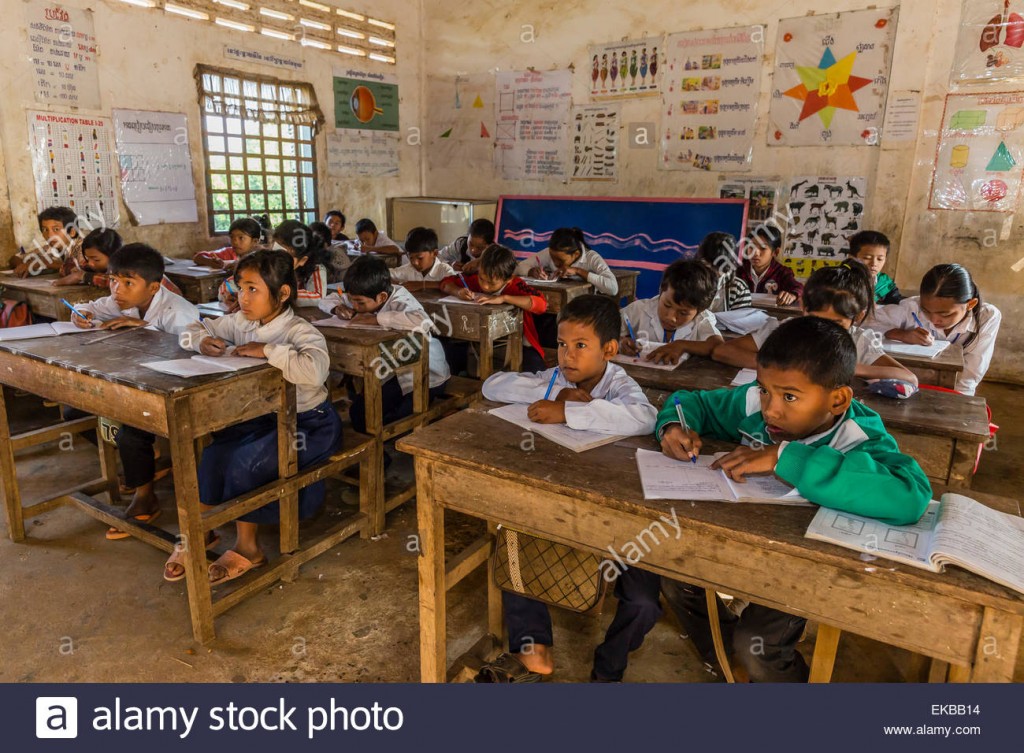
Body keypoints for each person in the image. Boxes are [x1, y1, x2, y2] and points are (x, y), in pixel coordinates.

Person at [658, 316, 931, 681]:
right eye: (764, 389)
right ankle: (729, 660)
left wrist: (786, 458)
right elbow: (687, 400)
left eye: (789, 396)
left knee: (759, 642)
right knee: (674, 575)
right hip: (743, 540)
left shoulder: (859, 435)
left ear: (838, 400)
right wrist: (675, 425)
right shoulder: (754, 405)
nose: (771, 408)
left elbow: (909, 496)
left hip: (802, 564)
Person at [476, 295, 658, 683]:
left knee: (644, 601)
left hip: (614, 515)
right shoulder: (554, 379)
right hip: (556, 504)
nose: (567, 356)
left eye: (580, 346)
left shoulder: (620, 385)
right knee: (516, 533)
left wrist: (571, 411)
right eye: (561, 344)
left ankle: (610, 663)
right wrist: (552, 396)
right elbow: (493, 386)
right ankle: (533, 647)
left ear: (609, 349)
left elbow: (645, 418)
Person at [167, 249, 342, 583]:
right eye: (240, 288)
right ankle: (199, 535)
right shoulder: (241, 322)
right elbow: (193, 326)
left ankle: (249, 547)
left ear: (283, 293)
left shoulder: (300, 331)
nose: (242, 298)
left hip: (309, 424)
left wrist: (268, 350)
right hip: (262, 419)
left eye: (252, 289)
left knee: (242, 461)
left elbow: (315, 371)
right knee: (214, 453)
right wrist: (202, 341)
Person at [71, 244, 199, 539]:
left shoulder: (177, 310)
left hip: (178, 388)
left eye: (128, 283)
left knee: (132, 429)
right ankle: (144, 467)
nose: (117, 289)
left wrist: (143, 326)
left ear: (154, 287)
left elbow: (191, 349)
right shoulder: (120, 300)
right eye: (114, 280)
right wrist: (81, 312)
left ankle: (145, 494)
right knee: (75, 408)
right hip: (138, 381)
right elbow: (91, 306)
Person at [713, 262, 917, 385]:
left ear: (857, 317)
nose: (823, 329)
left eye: (837, 323)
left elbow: (909, 378)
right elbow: (722, 351)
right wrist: (782, 367)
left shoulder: (859, 341)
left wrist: (851, 368)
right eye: (816, 319)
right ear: (803, 308)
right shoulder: (785, 331)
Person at [322, 256, 450, 433]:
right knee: (360, 414)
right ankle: (382, 452)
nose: (354, 305)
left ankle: (425, 424)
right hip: (389, 373)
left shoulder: (401, 300)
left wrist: (375, 318)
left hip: (423, 377)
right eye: (351, 300)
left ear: (382, 297)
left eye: (359, 302)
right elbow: (328, 298)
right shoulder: (362, 293)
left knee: (383, 420)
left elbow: (423, 321)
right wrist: (337, 308)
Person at [866, 263, 1000, 395]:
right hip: (910, 384)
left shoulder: (987, 317)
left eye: (945, 314)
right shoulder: (911, 307)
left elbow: (971, 374)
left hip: (956, 391)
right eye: (926, 311)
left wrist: (956, 400)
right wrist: (900, 334)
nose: (934, 320)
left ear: (970, 304)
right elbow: (865, 324)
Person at [439, 244, 549, 372]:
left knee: (533, 376)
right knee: (449, 360)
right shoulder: (474, 280)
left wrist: (504, 298)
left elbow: (542, 305)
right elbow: (445, 283)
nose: (485, 286)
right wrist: (458, 292)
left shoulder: (516, 285)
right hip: (480, 343)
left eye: (491, 283)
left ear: (508, 279)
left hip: (521, 345)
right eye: (481, 278)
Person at [619, 259, 723, 364]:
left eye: (683, 313)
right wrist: (619, 341)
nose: (671, 317)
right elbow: (603, 330)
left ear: (699, 311)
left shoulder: (702, 319)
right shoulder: (638, 309)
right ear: (661, 290)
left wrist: (682, 345)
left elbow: (717, 345)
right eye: (667, 305)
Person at [737, 225, 802, 305]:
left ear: (776, 252)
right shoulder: (739, 269)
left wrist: (793, 295)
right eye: (751, 247)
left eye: (763, 248)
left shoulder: (782, 273)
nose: (755, 253)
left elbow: (799, 288)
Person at [272, 219, 330, 306]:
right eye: (274, 253)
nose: (277, 261)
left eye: (285, 258)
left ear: (302, 260)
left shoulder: (316, 269)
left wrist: (281, 294)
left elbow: (318, 296)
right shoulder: (268, 264)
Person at [12, 206, 80, 277]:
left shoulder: (83, 247)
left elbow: (81, 269)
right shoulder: (48, 249)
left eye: (56, 229)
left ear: (72, 232)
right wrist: (23, 266)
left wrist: (44, 262)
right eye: (45, 230)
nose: (49, 235)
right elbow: (15, 258)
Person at [696, 231, 751, 312]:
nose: (713, 271)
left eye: (719, 267)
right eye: (708, 264)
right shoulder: (688, 282)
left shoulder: (738, 288)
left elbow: (740, 322)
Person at [846, 230, 902, 305]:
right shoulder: (840, 281)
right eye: (867, 258)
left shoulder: (885, 283)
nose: (874, 264)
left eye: (880, 259)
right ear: (852, 258)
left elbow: (897, 306)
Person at [390, 227, 455, 288]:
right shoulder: (408, 269)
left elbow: (454, 284)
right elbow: (384, 275)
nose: (414, 262)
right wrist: (395, 284)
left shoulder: (444, 270)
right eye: (411, 257)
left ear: (435, 253)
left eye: (420, 258)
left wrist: (423, 284)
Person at [192, 217, 262, 271]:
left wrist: (242, 266)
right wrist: (210, 261)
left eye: (241, 238)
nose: (235, 242)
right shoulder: (230, 252)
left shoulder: (263, 256)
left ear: (254, 241)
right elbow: (198, 257)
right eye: (232, 237)